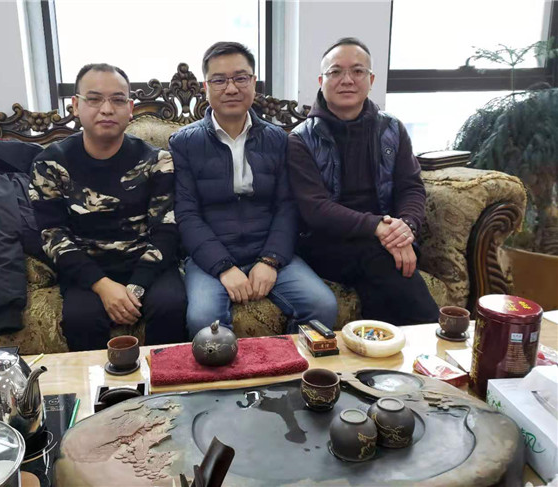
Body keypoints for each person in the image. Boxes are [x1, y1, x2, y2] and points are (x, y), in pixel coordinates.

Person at [170, 42, 338, 339]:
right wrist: (223, 267)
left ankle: (286, 363)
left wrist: (270, 260)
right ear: (205, 87)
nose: (231, 88)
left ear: (254, 83)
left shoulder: (277, 139)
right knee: (203, 319)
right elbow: (187, 214)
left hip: (267, 249)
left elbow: (288, 206)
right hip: (211, 257)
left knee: (322, 305)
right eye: (219, 80)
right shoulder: (184, 142)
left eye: (240, 78)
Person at [29, 63, 187, 351]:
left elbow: (167, 230)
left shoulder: (157, 161)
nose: (106, 109)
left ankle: (164, 381)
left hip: (148, 262)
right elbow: (52, 235)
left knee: (171, 306)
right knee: (81, 319)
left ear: (130, 108)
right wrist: (102, 286)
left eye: (117, 100)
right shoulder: (50, 163)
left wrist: (136, 287)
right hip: (86, 266)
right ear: (75, 105)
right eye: (94, 99)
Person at [287, 37, 439, 326]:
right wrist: (378, 227)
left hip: (383, 240)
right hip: (325, 243)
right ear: (321, 81)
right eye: (335, 72)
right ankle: (434, 332)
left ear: (371, 80)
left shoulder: (392, 129)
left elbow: (411, 187)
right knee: (381, 258)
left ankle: (377, 348)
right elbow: (315, 209)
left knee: (380, 268)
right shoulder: (301, 139)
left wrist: (406, 227)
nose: (347, 80)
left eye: (357, 71)